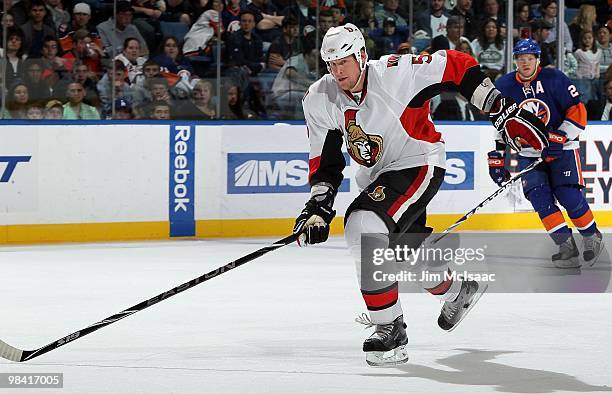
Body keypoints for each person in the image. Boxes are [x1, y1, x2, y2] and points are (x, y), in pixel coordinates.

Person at [293, 24, 547, 366]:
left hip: (418, 162)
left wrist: (500, 108)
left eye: (344, 61)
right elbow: (324, 160)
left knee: (362, 226)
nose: (338, 70)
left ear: (362, 56)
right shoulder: (320, 97)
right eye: (331, 63)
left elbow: (456, 64)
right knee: (407, 255)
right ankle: (459, 290)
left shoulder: (397, 75)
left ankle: (390, 328)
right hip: (376, 176)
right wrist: (318, 206)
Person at [494, 39, 604, 269]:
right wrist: (497, 155)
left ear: (538, 59)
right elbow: (501, 123)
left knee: (567, 194)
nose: (525, 62)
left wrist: (560, 136)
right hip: (528, 152)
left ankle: (592, 237)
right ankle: (566, 248)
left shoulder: (554, 78)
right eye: (520, 58)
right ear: (515, 60)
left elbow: (578, 110)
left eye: (530, 58)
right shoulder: (504, 86)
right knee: (539, 198)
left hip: (562, 149)